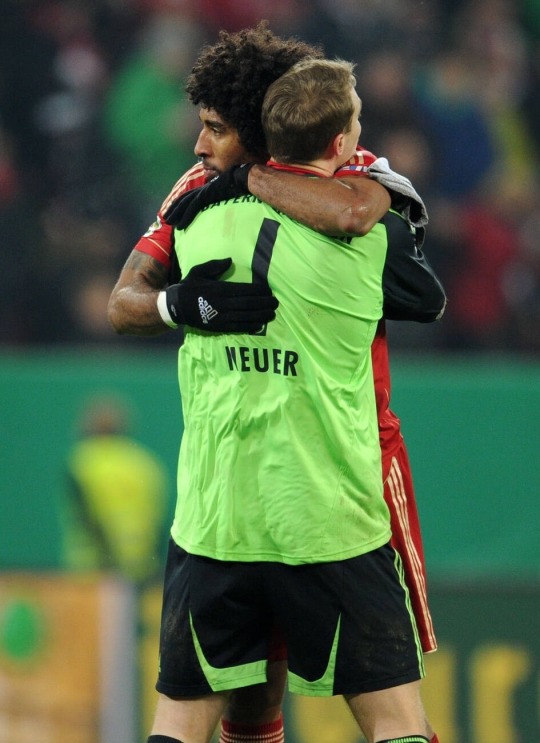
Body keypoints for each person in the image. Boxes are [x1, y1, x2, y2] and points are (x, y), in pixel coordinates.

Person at [107, 23, 442, 743]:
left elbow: (362, 217)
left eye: (216, 129)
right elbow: (124, 302)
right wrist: (179, 305)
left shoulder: (343, 183)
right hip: (327, 506)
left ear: (260, 135)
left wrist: (248, 181)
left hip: (244, 503)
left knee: (212, 712)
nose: (199, 146)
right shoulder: (205, 192)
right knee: (381, 714)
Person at [62, 394, 169, 584]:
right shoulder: (147, 463)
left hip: (93, 571)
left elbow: (87, 516)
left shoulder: (81, 461)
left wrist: (110, 561)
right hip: (142, 568)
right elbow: (160, 520)